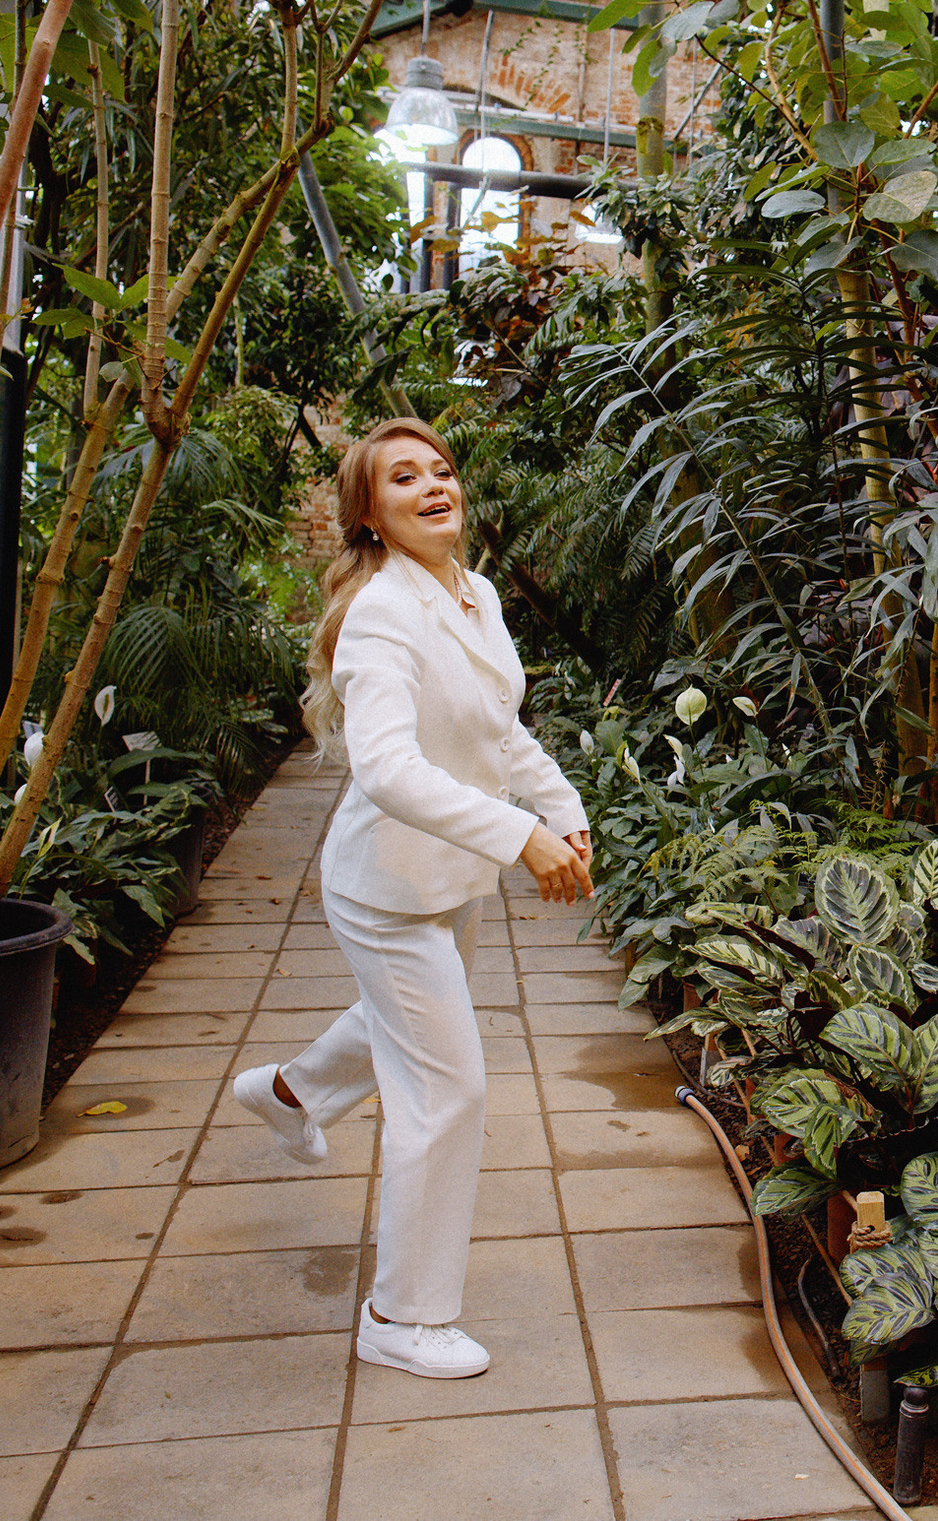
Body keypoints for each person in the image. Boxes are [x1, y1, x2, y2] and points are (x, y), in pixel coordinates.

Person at [232, 417, 594, 1381]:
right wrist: (522, 837)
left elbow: (502, 733)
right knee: (446, 1086)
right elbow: (386, 768)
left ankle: (289, 1091)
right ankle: (402, 1316)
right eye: (404, 479)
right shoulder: (381, 614)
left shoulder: (472, 595)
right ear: (370, 516)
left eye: (441, 470)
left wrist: (565, 811)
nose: (435, 486)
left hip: (449, 877)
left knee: (402, 1028)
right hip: (386, 888)